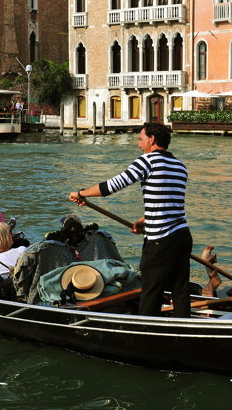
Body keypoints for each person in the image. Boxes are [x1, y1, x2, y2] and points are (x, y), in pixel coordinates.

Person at [69, 122, 192, 317]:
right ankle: (185, 329)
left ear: (151, 140)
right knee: (180, 289)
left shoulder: (147, 161)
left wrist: (81, 192)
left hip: (160, 239)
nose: (138, 144)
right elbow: (170, 202)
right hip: (182, 236)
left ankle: (146, 332)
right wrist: (145, 219)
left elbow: (112, 185)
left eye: (140, 139)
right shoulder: (180, 165)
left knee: (151, 290)